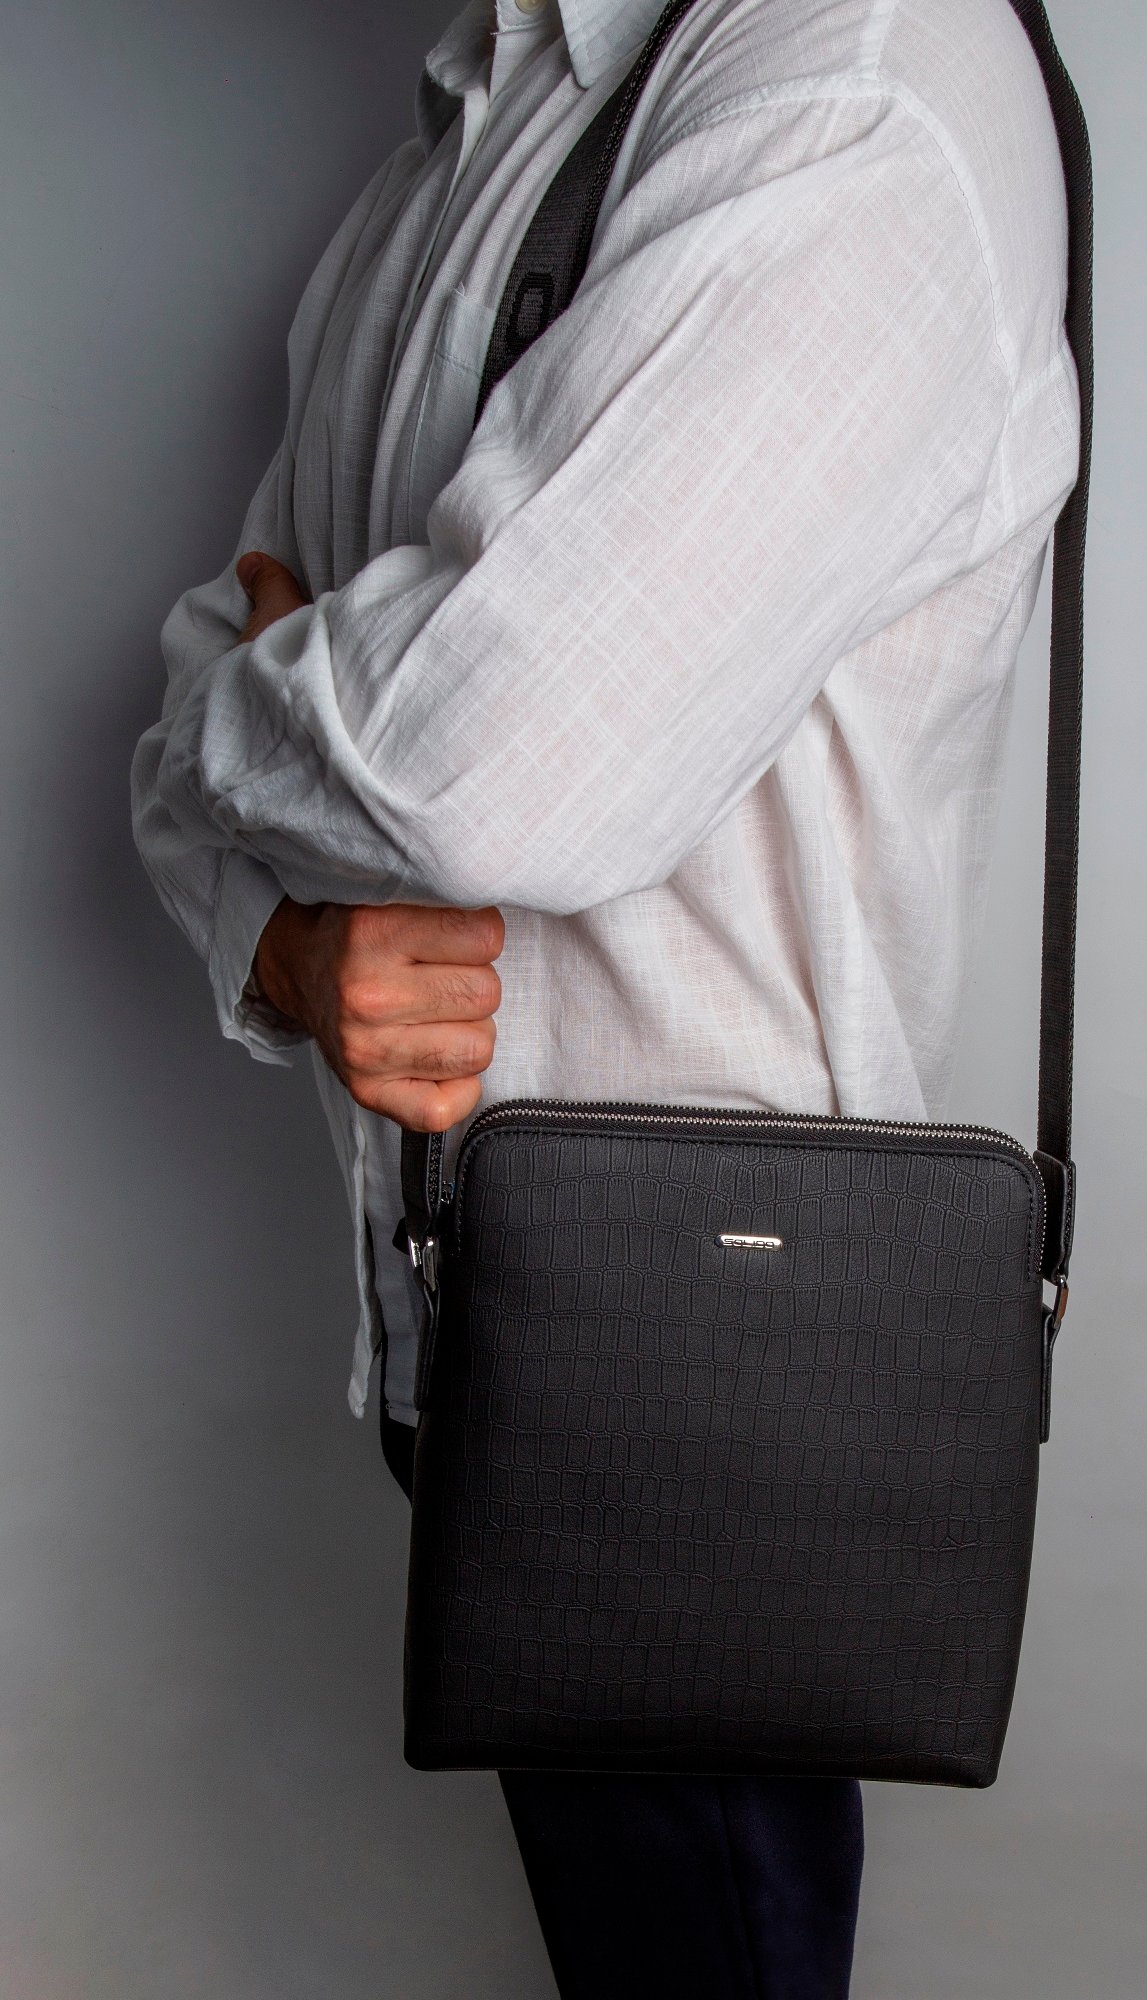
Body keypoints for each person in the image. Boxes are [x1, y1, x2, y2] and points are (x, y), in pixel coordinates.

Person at [132, 0, 1078, 1991]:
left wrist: (243, 723)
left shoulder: (856, 71)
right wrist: (288, 937)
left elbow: (488, 764)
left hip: (710, 1367)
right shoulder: (463, 127)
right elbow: (240, 658)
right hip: (475, 1317)